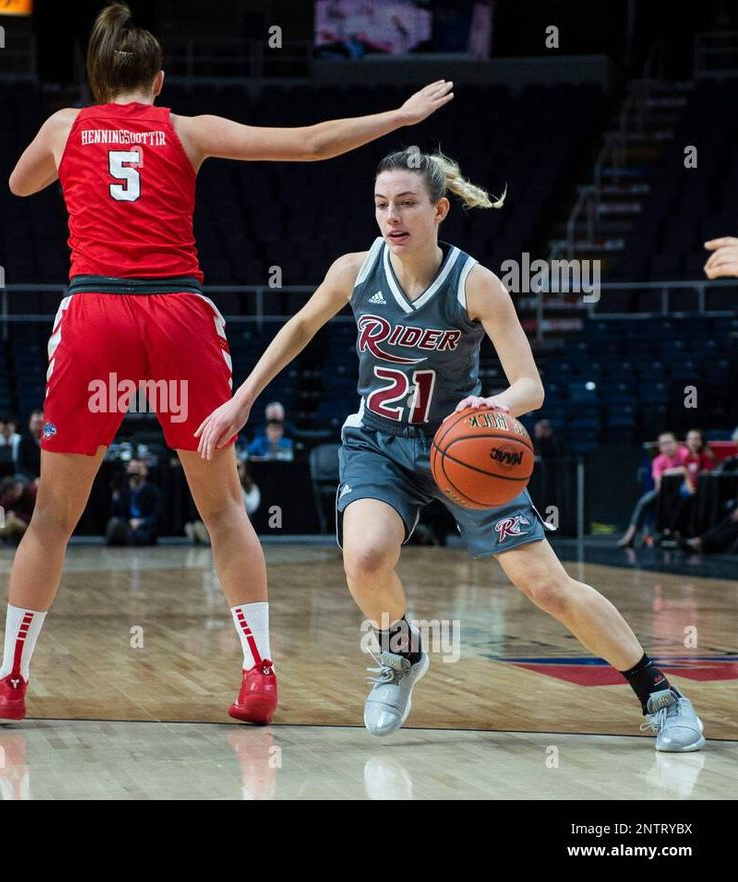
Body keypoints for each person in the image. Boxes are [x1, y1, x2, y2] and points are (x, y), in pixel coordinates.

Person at [0, 2, 454, 725]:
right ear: (161, 80)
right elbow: (311, 143)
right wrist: (396, 117)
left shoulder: (65, 126)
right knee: (225, 507)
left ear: (97, 78)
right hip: (178, 315)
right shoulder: (188, 130)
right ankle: (259, 673)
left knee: (52, 515)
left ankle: (11, 680)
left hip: (96, 314)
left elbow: (16, 185)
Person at [195, 148, 705, 751]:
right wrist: (244, 397)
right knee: (364, 556)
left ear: (440, 209)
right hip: (379, 442)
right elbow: (300, 327)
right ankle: (402, 654)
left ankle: (659, 693)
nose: (393, 215)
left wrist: (494, 408)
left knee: (546, 587)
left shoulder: (476, 282)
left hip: (461, 447)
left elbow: (531, 388)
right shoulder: (354, 270)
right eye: (382, 204)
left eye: (407, 203)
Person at [616, 432, 686, 549]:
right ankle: (630, 536)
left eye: (669, 443)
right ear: (660, 447)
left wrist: (669, 473)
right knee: (644, 502)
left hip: (684, 492)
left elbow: (689, 471)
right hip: (664, 493)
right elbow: (659, 485)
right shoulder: (658, 461)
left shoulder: (685, 454)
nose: (667, 447)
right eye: (663, 444)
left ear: (676, 444)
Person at [106, 458, 161, 545]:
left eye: (138, 468)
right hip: (126, 526)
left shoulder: (152, 491)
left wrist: (141, 522)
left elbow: (156, 515)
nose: (135, 471)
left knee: (133, 535)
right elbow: (116, 513)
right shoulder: (123, 490)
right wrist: (116, 498)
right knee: (114, 523)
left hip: (144, 529)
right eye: (132, 468)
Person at [17, 409, 44, 479]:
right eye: (35, 423)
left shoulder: (52, 442)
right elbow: (21, 466)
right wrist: (34, 479)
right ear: (29, 424)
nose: (38, 427)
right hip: (29, 478)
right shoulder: (23, 442)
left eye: (41, 423)